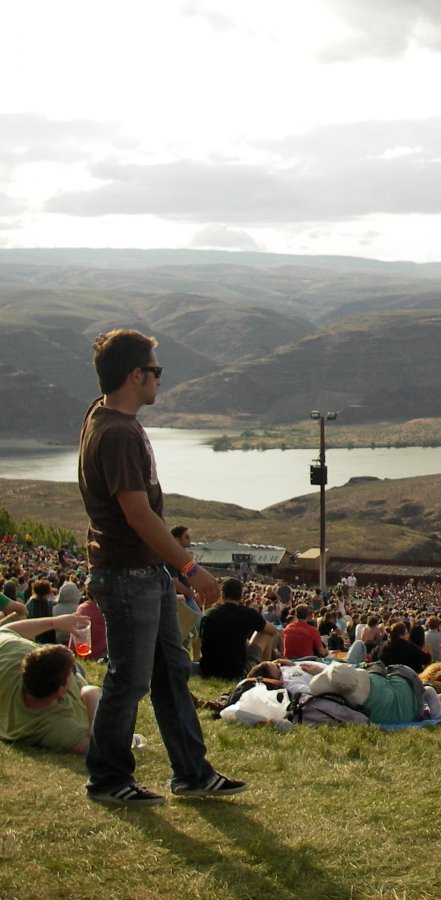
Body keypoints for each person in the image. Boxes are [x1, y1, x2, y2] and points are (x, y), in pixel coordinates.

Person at [78, 328, 245, 805]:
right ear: (135, 376)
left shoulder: (103, 414)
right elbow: (137, 513)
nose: (160, 380)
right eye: (155, 371)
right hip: (128, 575)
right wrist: (190, 568)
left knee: (171, 672)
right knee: (127, 679)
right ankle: (108, 779)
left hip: (142, 572)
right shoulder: (118, 433)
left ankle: (192, 772)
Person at [1, 613, 98, 753]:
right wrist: (92, 694)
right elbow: (97, 747)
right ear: (61, 690)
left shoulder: (11, 658)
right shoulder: (52, 724)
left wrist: (56, 622)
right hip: (72, 676)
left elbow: (6, 630)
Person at [199, 578, 277, 680]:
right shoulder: (248, 614)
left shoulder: (208, 614)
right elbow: (273, 630)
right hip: (236, 673)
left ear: (222, 595)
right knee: (266, 634)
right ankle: (266, 674)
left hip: (208, 670)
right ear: (241, 596)